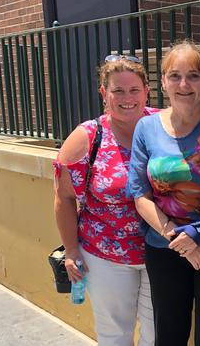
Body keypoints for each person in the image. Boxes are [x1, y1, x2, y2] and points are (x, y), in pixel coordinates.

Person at [53, 55, 156, 346]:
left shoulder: (164, 124)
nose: (127, 98)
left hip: (160, 251)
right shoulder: (87, 136)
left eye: (134, 89)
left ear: (146, 91)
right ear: (103, 93)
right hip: (107, 257)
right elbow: (63, 197)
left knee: (158, 334)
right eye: (118, 91)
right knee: (115, 336)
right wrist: (71, 250)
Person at [127, 40, 200, 346]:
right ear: (164, 82)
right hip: (164, 246)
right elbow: (140, 194)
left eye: (194, 75)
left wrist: (198, 236)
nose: (184, 84)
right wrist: (181, 241)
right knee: (168, 334)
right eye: (175, 76)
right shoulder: (146, 127)